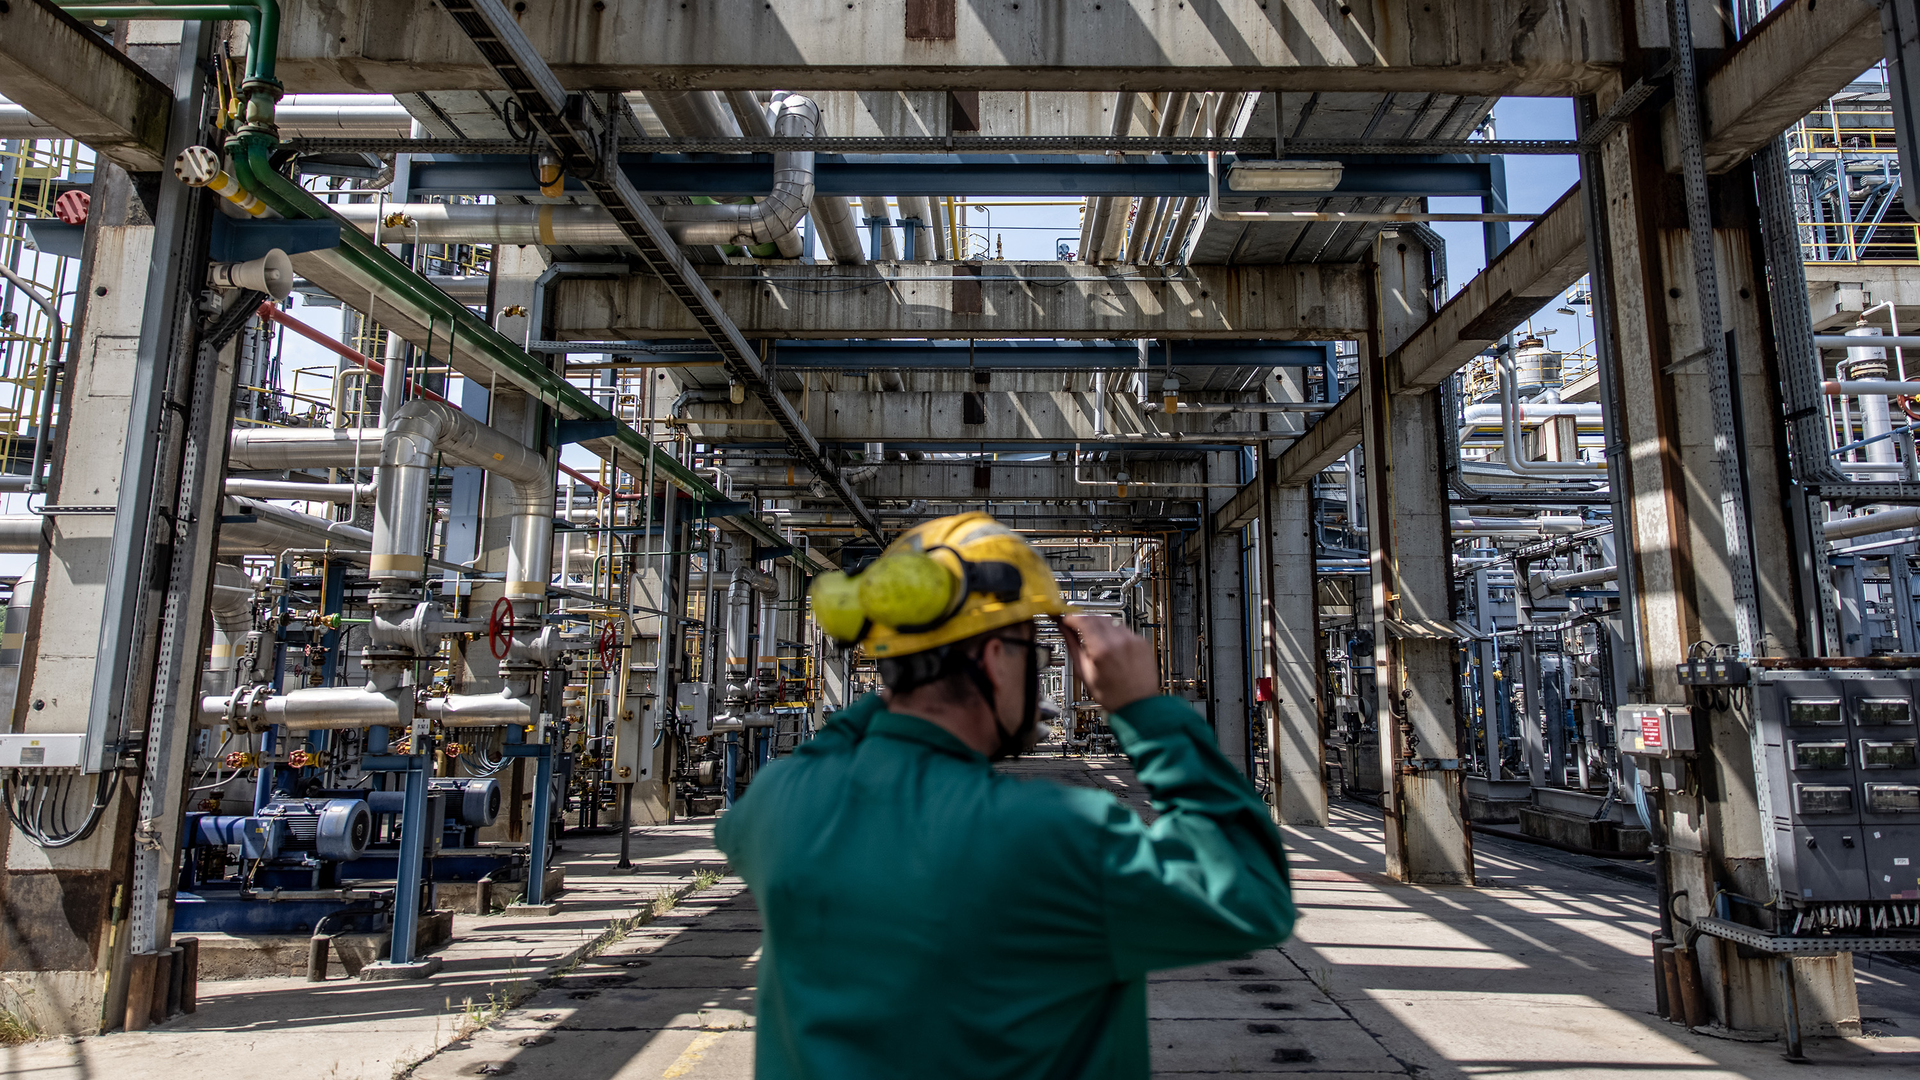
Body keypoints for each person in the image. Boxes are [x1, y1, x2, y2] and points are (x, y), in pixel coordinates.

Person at [715, 512, 1294, 1078]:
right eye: (1035, 656)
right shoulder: (1054, 835)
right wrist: (1146, 712)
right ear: (996, 661)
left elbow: (825, 753)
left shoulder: (776, 806)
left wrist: (902, 683)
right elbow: (1250, 894)